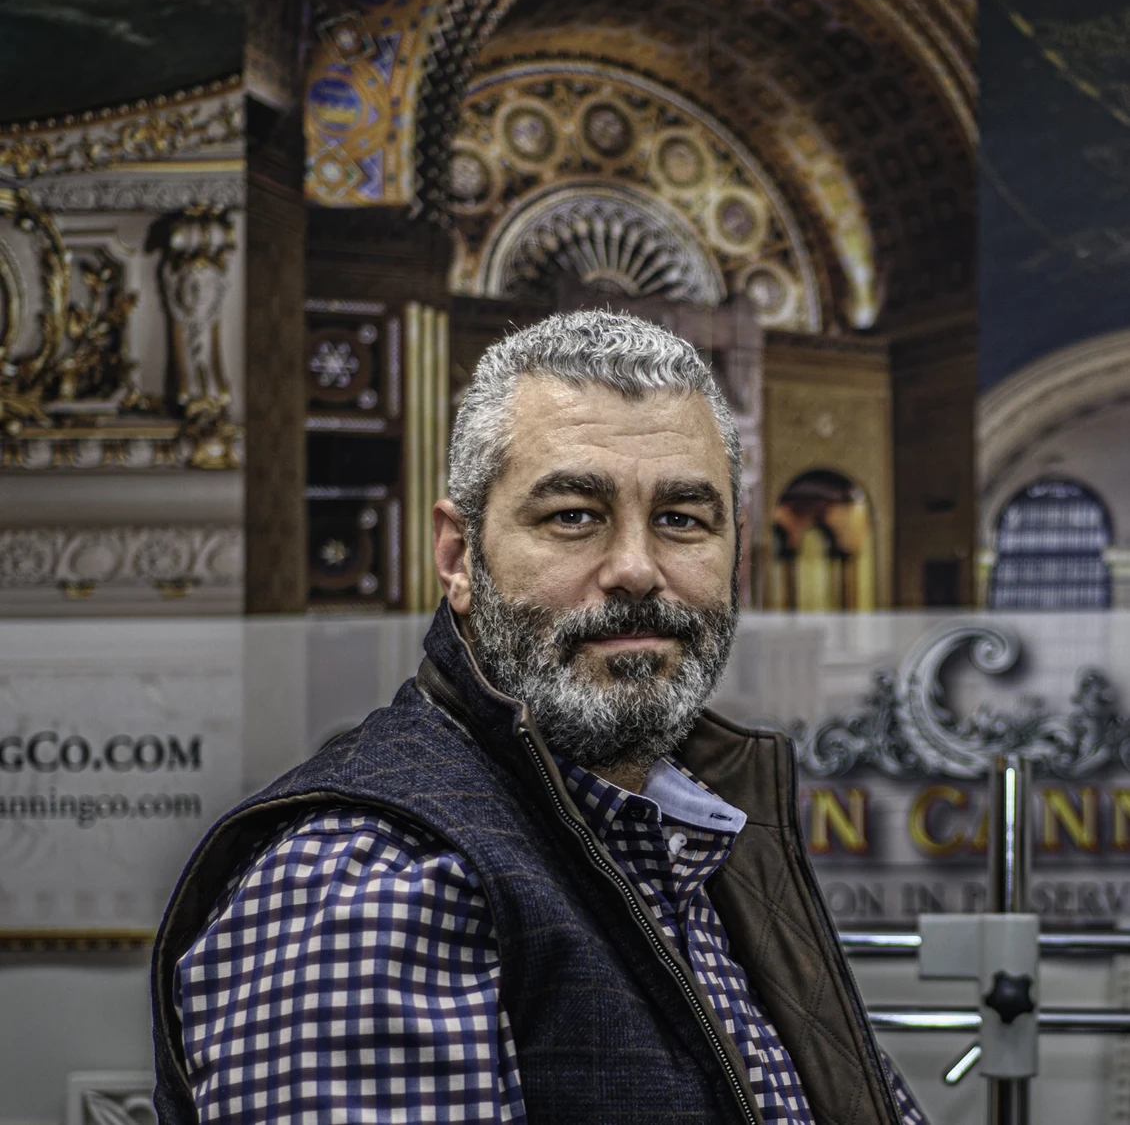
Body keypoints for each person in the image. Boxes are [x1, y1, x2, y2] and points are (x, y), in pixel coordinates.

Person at [152, 310, 927, 1125]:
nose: (635, 568)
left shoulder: (689, 832)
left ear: (734, 557)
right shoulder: (371, 880)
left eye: (681, 519)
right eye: (572, 516)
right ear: (459, 558)